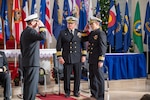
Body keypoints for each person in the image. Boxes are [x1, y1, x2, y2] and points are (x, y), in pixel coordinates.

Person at [56, 16, 87, 98]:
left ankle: (76, 91)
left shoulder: (79, 33)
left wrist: (84, 55)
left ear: (75, 24)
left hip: (77, 58)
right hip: (67, 58)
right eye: (68, 23)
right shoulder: (63, 33)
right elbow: (58, 46)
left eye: (71, 23)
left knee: (77, 75)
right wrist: (60, 57)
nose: (70, 25)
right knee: (67, 76)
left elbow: (84, 46)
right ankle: (67, 91)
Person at [20, 13, 46, 100]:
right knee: (31, 86)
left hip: (28, 62)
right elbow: (42, 37)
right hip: (32, 63)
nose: (38, 23)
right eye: (36, 21)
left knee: (28, 86)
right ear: (31, 23)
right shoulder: (30, 32)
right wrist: (42, 27)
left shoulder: (25, 32)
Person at [82, 16, 107, 100]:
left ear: (97, 24)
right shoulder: (92, 33)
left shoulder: (101, 33)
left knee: (99, 78)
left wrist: (101, 59)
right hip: (92, 59)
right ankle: (94, 93)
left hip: (97, 59)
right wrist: (85, 31)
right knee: (92, 77)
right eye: (90, 24)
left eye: (93, 24)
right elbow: (83, 38)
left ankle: (100, 96)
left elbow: (102, 47)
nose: (91, 26)